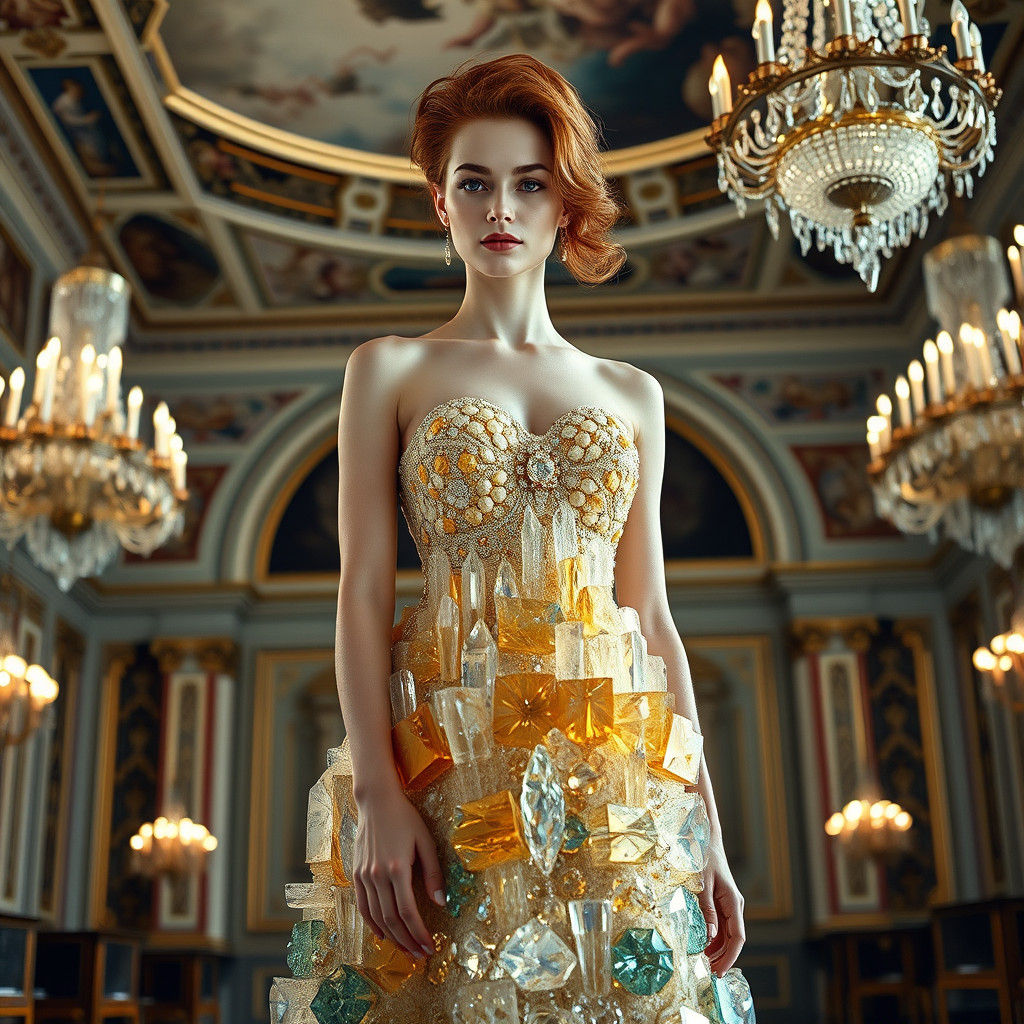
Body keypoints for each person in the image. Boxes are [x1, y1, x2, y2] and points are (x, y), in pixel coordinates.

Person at [272, 52, 754, 1024]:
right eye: (474, 182)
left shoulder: (632, 394)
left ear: (564, 205)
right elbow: (363, 592)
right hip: (447, 760)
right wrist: (376, 794)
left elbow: (649, 615)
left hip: (614, 778)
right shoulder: (389, 368)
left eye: (530, 184)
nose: (502, 207)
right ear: (440, 204)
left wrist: (707, 831)